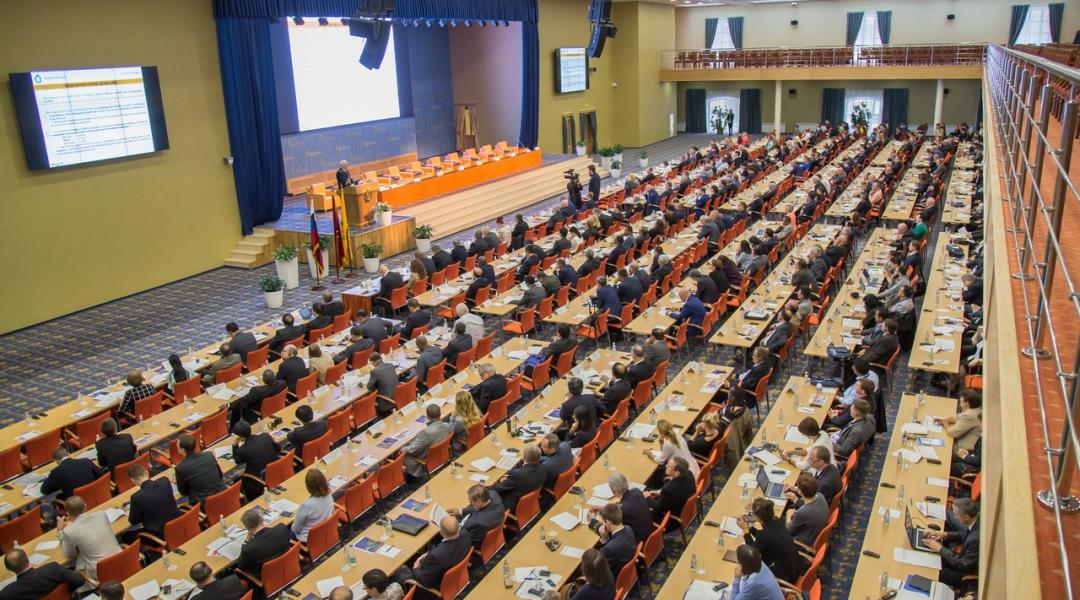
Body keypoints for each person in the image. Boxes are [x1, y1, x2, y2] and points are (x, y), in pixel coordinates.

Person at [403, 516, 472, 597]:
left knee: (403, 573)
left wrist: (416, 567)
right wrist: (429, 553)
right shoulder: (465, 534)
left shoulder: (436, 556)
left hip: (439, 585)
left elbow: (425, 582)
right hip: (456, 573)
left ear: (441, 532)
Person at [57, 496, 121, 582]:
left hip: (101, 571)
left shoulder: (69, 531)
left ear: (67, 513)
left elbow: (70, 555)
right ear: (85, 506)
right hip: (120, 559)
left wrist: (60, 531)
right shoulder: (101, 514)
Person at [736, 498, 798, 583]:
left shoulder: (764, 536)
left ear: (757, 516)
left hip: (784, 576)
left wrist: (746, 532)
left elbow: (752, 555)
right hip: (793, 565)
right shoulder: (776, 521)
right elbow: (764, 536)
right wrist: (749, 527)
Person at [923, 497, 980, 588]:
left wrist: (940, 548)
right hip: (963, 559)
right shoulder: (976, 519)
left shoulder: (975, 539)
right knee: (933, 555)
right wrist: (945, 534)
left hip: (967, 573)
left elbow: (962, 564)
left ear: (966, 517)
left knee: (933, 571)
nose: (954, 517)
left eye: (957, 515)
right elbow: (964, 534)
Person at [0, 547, 86, 600]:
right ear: (28, 559)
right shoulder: (53, 569)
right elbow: (80, 580)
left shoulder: (6, 594)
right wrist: (65, 590)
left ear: (9, 569)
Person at [127, 463, 180, 540]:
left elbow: (133, 521)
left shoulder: (137, 498)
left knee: (126, 536)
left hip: (160, 534)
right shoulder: (164, 481)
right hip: (178, 523)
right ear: (146, 472)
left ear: (133, 481)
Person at [232, 420, 280, 500]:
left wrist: (234, 445)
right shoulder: (265, 436)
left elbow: (237, 461)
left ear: (239, 436)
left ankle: (246, 500)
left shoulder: (242, 450)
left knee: (237, 478)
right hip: (277, 469)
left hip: (259, 478)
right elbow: (278, 448)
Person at [448, 484, 505, 552]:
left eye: (471, 501)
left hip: (475, 540)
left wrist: (452, 527)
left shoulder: (477, 522)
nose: (470, 503)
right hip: (490, 528)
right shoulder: (493, 495)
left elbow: (468, 541)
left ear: (479, 502)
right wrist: (461, 511)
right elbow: (479, 508)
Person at [491, 444, 546, 511]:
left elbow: (499, 489)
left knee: (490, 489)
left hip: (513, 504)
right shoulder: (544, 469)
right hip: (530, 499)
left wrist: (500, 482)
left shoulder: (517, 474)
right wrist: (511, 479)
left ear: (524, 457)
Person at [236, 507, 291, 575]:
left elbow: (241, 566)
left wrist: (246, 542)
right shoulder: (281, 528)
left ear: (247, 528)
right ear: (262, 519)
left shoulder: (248, 549)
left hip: (269, 575)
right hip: (289, 565)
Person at [403, 404, 453, 480]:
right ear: (440, 414)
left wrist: (401, 449)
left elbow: (411, 451)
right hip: (441, 457)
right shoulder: (447, 426)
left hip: (422, 464)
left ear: (427, 416)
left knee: (400, 454)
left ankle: (410, 481)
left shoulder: (426, 433)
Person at [175, 433, 226, 504]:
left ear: (182, 450)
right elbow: (220, 475)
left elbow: (183, 492)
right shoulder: (209, 455)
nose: (176, 446)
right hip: (223, 495)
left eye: (177, 445)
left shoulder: (180, 468)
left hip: (205, 504)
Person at [644, 457, 695, 523]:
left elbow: (657, 507)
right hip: (679, 504)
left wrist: (647, 497)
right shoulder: (689, 474)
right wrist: (659, 492)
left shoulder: (668, 490)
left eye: (669, 466)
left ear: (677, 473)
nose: (666, 466)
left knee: (640, 497)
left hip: (668, 517)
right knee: (648, 489)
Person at [783, 473, 828, 547]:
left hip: (801, 543)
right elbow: (809, 506)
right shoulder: (820, 496)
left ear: (801, 491)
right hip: (814, 531)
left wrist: (788, 516)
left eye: (798, 488)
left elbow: (789, 532)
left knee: (779, 521)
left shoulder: (800, 513)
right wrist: (796, 489)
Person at [291, 469, 336, 542]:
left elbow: (295, 529)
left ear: (308, 487)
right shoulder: (329, 495)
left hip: (309, 540)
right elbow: (333, 513)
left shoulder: (306, 505)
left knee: (285, 530)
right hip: (326, 533)